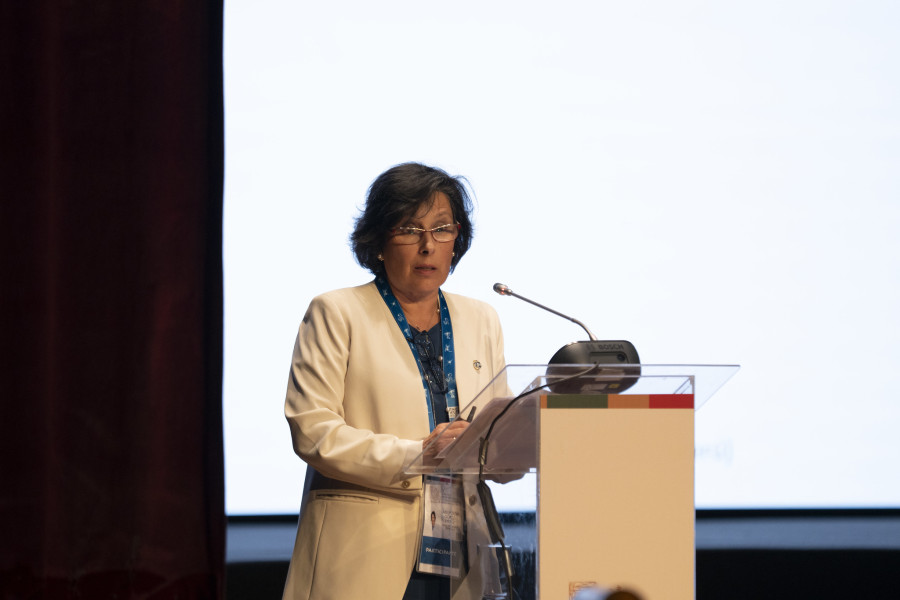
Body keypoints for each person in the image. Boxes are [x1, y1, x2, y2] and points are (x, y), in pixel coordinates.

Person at [282, 162, 507, 600]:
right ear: (380, 241)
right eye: (409, 229)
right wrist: (417, 454)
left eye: (442, 229)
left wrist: (510, 443)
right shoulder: (336, 312)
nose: (428, 246)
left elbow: (497, 429)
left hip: (463, 551)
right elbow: (313, 432)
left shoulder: (482, 318)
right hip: (364, 551)